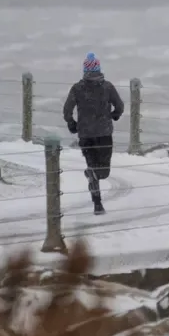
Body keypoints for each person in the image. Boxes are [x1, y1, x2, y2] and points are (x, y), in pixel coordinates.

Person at [63, 52, 124, 215]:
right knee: (103, 171)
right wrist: (114, 115)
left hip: (85, 135)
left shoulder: (77, 88)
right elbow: (120, 106)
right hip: (104, 133)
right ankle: (94, 178)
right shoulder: (107, 87)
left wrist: (72, 123)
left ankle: (98, 205)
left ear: (84, 71)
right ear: (99, 69)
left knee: (92, 168)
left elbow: (67, 109)